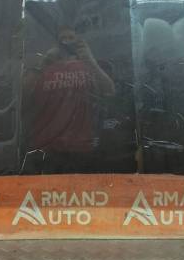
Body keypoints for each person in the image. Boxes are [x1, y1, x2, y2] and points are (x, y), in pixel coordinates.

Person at [23, 26, 115, 173]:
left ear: (80, 43)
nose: (67, 43)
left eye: (71, 39)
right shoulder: (44, 69)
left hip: (81, 149)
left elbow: (110, 91)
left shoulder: (89, 67)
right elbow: (23, 98)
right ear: (56, 45)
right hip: (44, 150)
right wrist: (44, 63)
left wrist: (90, 60)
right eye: (62, 39)